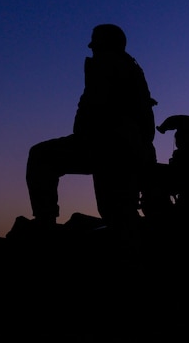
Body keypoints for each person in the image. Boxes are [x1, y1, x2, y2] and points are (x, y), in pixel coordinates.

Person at [26, 24, 158, 229]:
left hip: (108, 145)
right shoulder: (130, 67)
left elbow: (97, 106)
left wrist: (85, 136)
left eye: (95, 42)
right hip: (124, 147)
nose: (91, 47)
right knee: (117, 212)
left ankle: (45, 224)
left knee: (40, 156)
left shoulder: (107, 64)